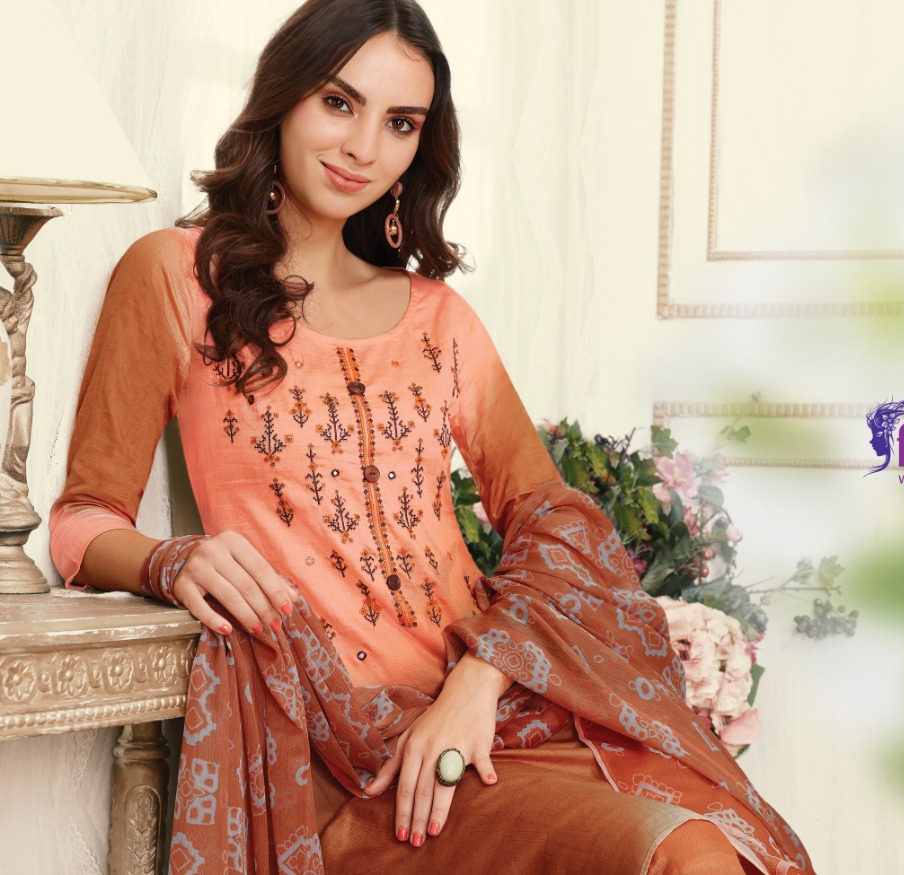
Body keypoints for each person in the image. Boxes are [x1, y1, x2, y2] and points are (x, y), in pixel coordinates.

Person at [48, 1, 812, 872]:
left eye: (400, 122)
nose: (362, 147)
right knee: (686, 852)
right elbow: (80, 521)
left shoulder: (439, 319)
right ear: (284, 97)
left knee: (727, 839)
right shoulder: (177, 276)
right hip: (349, 757)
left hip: (490, 718)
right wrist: (170, 560)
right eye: (339, 102)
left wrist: (481, 678)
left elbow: (555, 518)